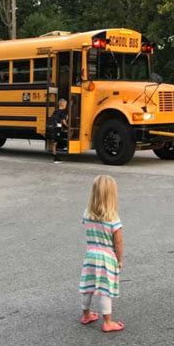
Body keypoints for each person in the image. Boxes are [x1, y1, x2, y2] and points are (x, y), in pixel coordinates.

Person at [78, 175, 125, 332]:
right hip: (106, 257)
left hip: (90, 254)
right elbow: (118, 242)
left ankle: (85, 315)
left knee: (88, 286)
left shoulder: (87, 214)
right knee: (105, 290)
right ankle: (107, 322)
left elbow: (86, 226)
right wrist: (119, 260)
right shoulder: (113, 218)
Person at [47, 98, 68, 163]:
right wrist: (68, 127)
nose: (66, 105)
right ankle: (56, 158)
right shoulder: (63, 112)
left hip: (53, 128)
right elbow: (64, 122)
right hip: (57, 129)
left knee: (55, 143)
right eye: (66, 104)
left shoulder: (55, 111)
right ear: (63, 104)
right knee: (58, 142)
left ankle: (55, 156)